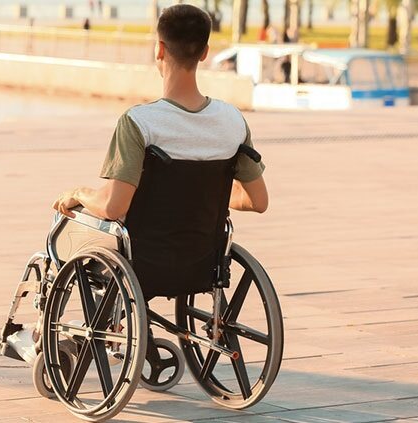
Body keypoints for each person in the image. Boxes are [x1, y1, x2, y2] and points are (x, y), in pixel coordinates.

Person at [52, 4, 267, 299]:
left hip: (142, 262)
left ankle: (49, 327)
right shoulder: (232, 122)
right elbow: (258, 200)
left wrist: (78, 193)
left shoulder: (139, 122)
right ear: (204, 52)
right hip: (201, 262)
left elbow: (114, 207)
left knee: (61, 227)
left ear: (160, 50)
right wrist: (202, 190)